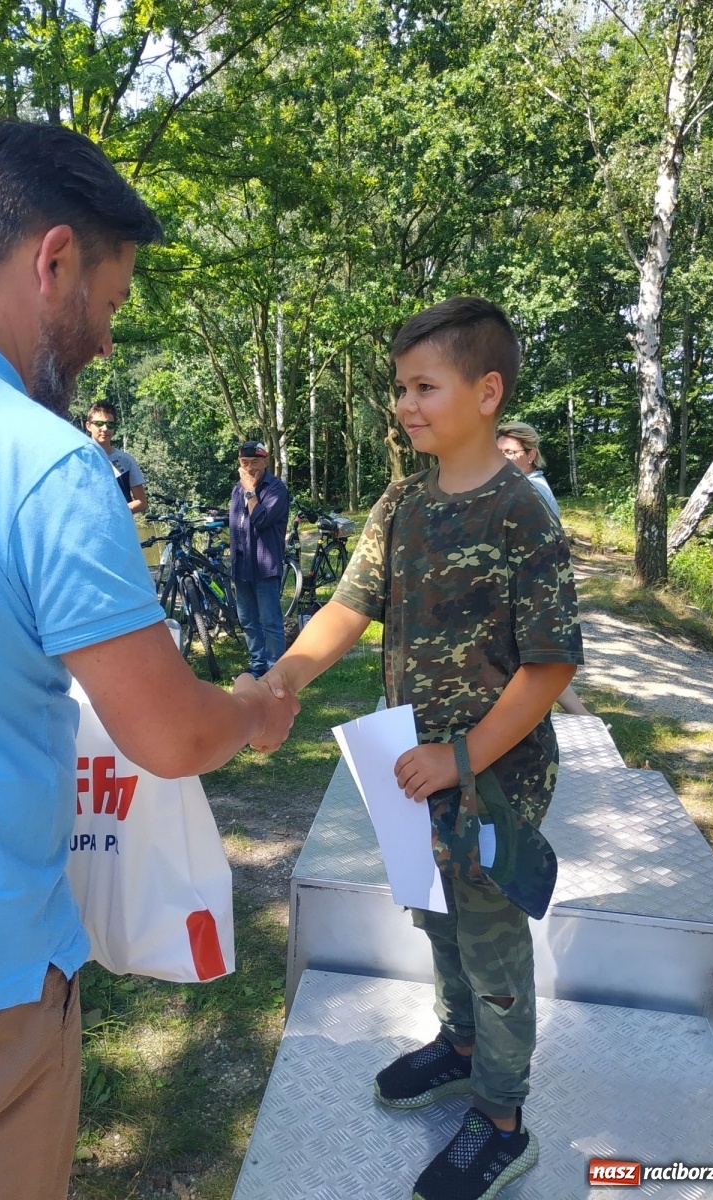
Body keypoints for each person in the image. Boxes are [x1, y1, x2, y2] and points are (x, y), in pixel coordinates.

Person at [0, 120, 298, 1200]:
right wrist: (249, 707)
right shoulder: (47, 464)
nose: (104, 340)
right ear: (52, 259)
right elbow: (166, 732)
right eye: (106, 303)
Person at [256, 297, 583, 1200]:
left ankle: (504, 1119)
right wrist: (282, 677)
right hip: (408, 767)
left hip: (492, 783)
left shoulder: (522, 514)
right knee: (436, 917)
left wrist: (462, 758)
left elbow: (550, 668)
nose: (404, 403)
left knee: (492, 942)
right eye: (399, 387)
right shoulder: (400, 501)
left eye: (424, 386)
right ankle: (460, 1041)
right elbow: (348, 609)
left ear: (487, 392)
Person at [496, 420, 591, 717]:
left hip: (533, 587)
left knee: (536, 661)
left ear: (531, 454)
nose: (503, 458)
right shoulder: (521, 485)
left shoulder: (531, 490)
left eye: (510, 452)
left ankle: (526, 724)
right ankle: (585, 718)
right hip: (528, 585)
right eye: (499, 451)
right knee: (536, 661)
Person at [229, 440, 290, 678]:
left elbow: (261, 519)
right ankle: (258, 665)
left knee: (270, 621)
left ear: (266, 461)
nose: (250, 467)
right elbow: (236, 523)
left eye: (255, 462)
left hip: (265, 564)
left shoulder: (275, 489)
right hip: (241, 565)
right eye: (245, 463)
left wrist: (250, 492)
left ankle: (275, 668)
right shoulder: (237, 489)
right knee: (247, 620)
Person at [86, 400, 148, 514]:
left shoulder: (126, 461)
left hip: (119, 529)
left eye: (110, 424)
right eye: (99, 423)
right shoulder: (80, 459)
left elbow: (141, 502)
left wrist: (114, 513)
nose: (105, 429)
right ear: (88, 426)